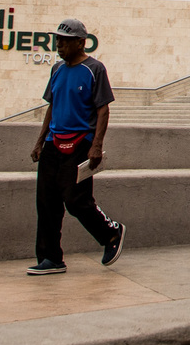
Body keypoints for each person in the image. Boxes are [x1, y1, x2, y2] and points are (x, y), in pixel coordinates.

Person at [28, 18, 125, 275]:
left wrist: (96, 146)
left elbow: (103, 109)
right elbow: (52, 106)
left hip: (81, 143)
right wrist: (39, 142)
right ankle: (51, 258)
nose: (58, 45)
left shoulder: (95, 69)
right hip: (53, 143)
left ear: (81, 42)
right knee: (46, 202)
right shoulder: (57, 70)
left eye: (64, 41)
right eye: (57, 40)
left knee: (75, 200)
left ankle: (111, 234)